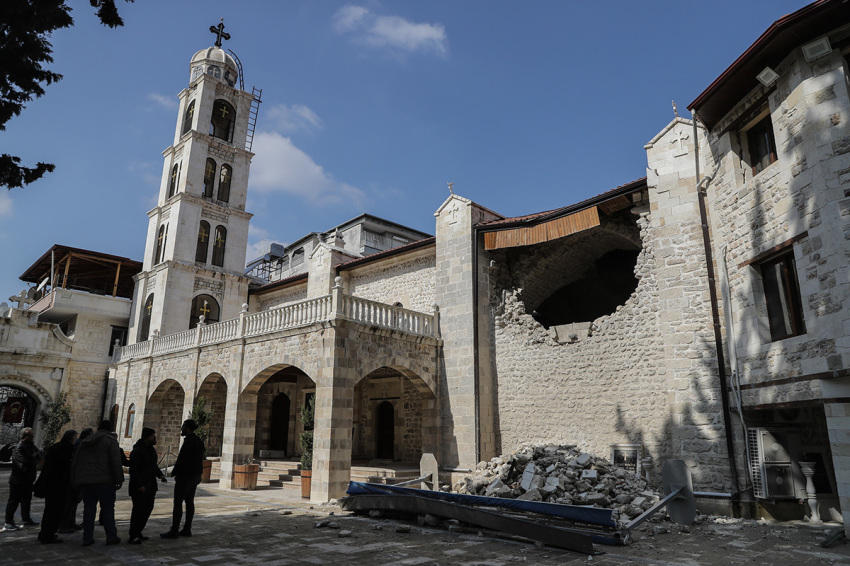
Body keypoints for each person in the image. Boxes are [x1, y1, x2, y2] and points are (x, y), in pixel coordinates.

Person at [70, 420, 123, 546]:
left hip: (88, 481)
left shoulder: (86, 442)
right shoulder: (110, 441)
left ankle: (87, 537)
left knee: (89, 510)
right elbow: (116, 462)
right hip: (105, 481)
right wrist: (119, 479)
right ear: (110, 429)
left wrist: (76, 478)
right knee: (108, 510)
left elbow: (77, 461)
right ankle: (111, 536)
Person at [161, 419, 203, 538]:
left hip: (185, 476)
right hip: (194, 476)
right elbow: (200, 459)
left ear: (188, 428)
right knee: (189, 502)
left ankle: (174, 530)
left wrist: (175, 473)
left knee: (178, 502)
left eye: (183, 426)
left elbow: (182, 459)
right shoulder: (199, 441)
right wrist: (199, 474)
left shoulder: (189, 441)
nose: (182, 429)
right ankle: (187, 529)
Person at [35, 429, 77, 544]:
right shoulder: (66, 450)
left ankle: (45, 533)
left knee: (49, 510)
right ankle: (48, 535)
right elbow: (65, 469)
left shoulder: (56, 447)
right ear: (72, 439)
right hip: (58, 486)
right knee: (55, 511)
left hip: (50, 484)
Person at [128, 427, 166, 544]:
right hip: (140, 487)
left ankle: (138, 532)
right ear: (146, 437)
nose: (155, 438)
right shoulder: (137, 451)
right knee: (138, 511)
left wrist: (160, 475)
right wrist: (139, 485)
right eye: (153, 436)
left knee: (147, 510)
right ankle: (133, 535)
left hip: (150, 486)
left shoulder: (151, 450)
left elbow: (153, 465)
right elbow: (133, 471)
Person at [4, 427, 41, 531]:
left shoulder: (31, 446)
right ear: (24, 437)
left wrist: (34, 458)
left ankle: (26, 519)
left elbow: (39, 456)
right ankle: (9, 522)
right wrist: (34, 459)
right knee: (14, 501)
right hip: (18, 480)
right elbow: (25, 463)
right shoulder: (18, 447)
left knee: (26, 500)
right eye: (30, 435)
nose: (33, 437)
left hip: (28, 480)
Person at [59, 427, 92, 533]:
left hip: (75, 477)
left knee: (73, 502)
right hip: (73, 478)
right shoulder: (79, 445)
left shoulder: (77, 444)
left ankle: (70, 523)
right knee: (70, 502)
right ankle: (65, 524)